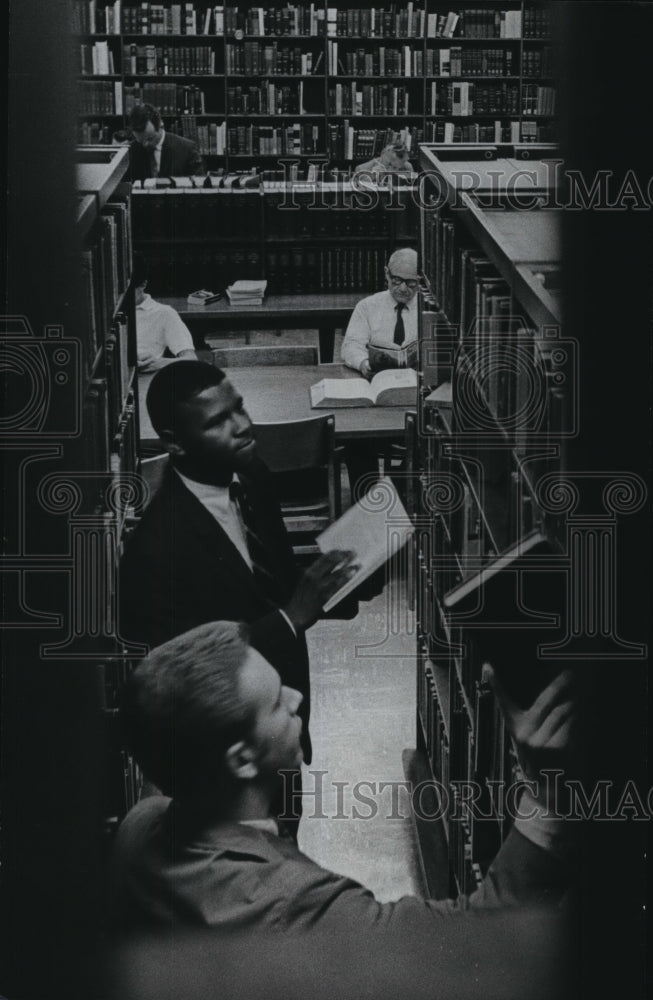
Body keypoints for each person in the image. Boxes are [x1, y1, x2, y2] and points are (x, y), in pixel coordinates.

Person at [113, 620, 576, 942]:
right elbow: (478, 933)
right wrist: (546, 793)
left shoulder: (139, 825)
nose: (296, 698)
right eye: (276, 703)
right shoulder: (294, 906)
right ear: (241, 759)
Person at [119, 361, 357, 826]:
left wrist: (341, 585)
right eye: (216, 422)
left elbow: (272, 583)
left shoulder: (251, 477)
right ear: (173, 442)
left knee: (288, 840)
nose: (243, 426)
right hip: (227, 760)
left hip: (280, 724)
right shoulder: (157, 548)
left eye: (240, 408)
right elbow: (187, 678)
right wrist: (293, 616)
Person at [341, 246, 420, 377]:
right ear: (386, 273)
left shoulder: (428, 309)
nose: (403, 288)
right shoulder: (367, 306)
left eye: (411, 283)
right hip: (376, 379)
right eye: (397, 280)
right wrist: (363, 364)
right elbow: (351, 345)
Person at [132, 254, 198, 372]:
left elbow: (191, 359)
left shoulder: (164, 313)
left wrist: (160, 363)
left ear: (143, 284)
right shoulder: (102, 313)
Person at [127, 103, 205, 181]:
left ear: (161, 126)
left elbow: (198, 186)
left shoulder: (187, 149)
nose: (145, 144)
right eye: (140, 140)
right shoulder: (130, 151)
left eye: (150, 139)